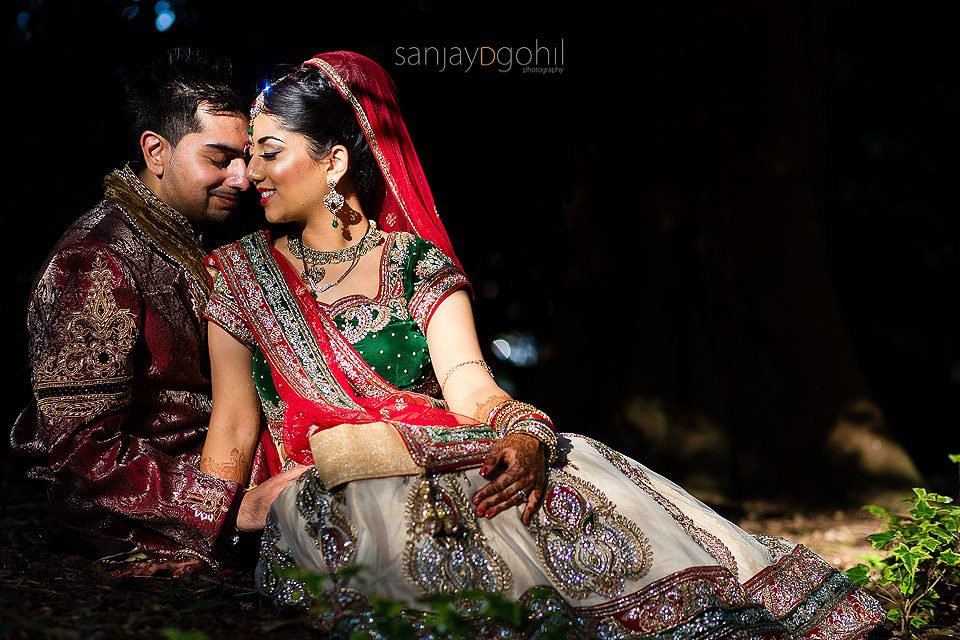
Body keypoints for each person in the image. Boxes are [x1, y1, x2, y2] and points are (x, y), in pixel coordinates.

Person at [200, 51, 884, 637]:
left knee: (558, 482)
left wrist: (524, 434)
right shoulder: (238, 273)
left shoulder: (415, 264)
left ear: (334, 162)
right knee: (342, 508)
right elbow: (233, 427)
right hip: (329, 481)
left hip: (441, 453)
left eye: (270, 152)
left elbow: (469, 386)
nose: (250, 174)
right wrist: (197, 536)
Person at [11, 47, 302, 577]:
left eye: (248, 158)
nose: (242, 178)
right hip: (146, 515)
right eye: (218, 159)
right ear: (155, 150)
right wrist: (233, 507)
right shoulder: (95, 260)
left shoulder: (193, 238)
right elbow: (76, 455)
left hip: (240, 474)